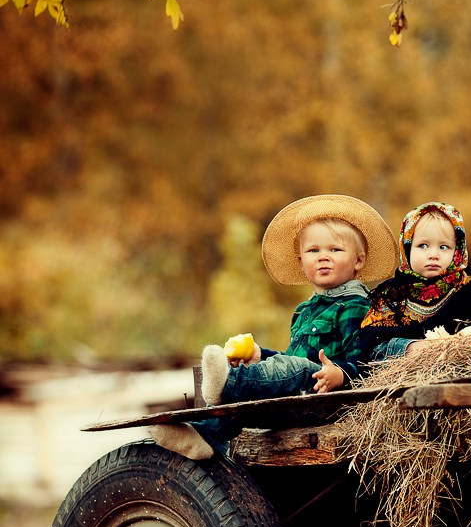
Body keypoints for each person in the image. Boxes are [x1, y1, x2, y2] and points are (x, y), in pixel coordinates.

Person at [150, 194, 398, 459]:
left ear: (358, 261)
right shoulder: (304, 310)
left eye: (335, 250)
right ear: (302, 263)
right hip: (295, 399)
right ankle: (206, 435)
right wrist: (261, 355)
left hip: (329, 400)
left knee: (300, 369)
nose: (323, 257)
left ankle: (228, 384)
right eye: (313, 251)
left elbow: (365, 362)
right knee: (268, 375)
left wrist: (340, 375)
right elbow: (289, 361)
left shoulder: (357, 306)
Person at [359, 201, 471, 361]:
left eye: (443, 247)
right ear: (406, 249)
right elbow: (370, 347)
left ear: (458, 252)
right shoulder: (391, 297)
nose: (433, 254)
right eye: (423, 245)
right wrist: (410, 348)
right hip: (407, 373)